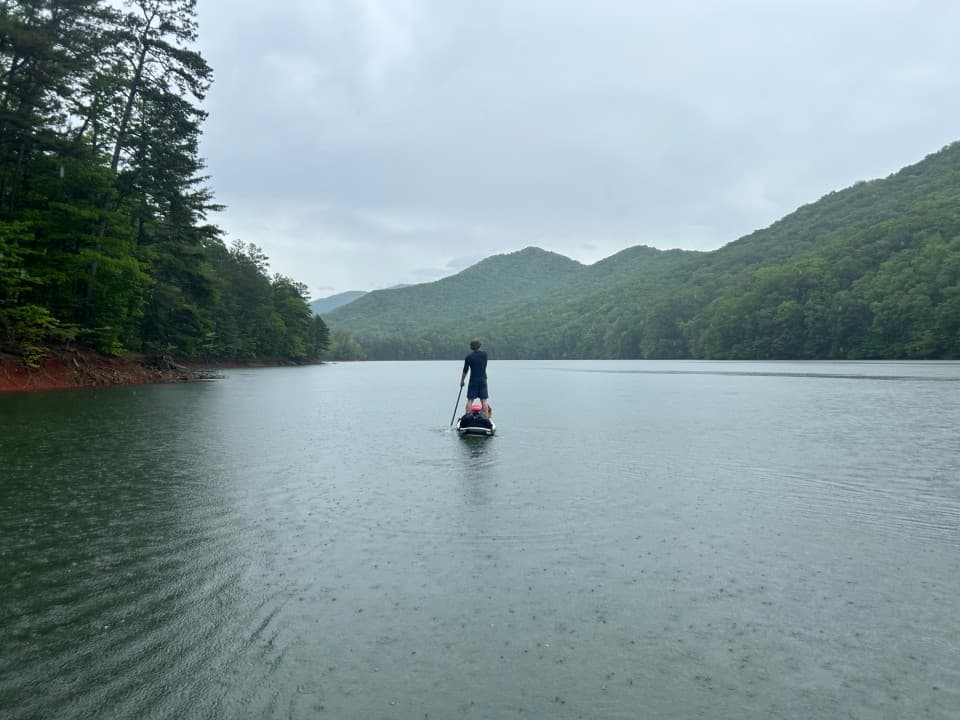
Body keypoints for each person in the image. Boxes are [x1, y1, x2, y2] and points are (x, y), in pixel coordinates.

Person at [460, 339, 489, 416]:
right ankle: (486, 417)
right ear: (480, 346)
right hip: (483, 379)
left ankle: (468, 416)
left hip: (473, 380)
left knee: (470, 400)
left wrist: (462, 381)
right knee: (484, 400)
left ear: (471, 347)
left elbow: (465, 370)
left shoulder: (469, 357)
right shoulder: (485, 355)